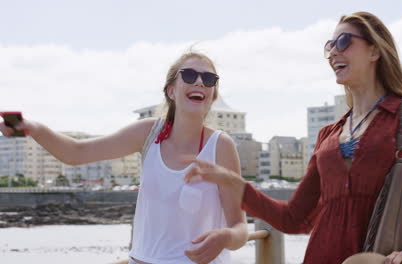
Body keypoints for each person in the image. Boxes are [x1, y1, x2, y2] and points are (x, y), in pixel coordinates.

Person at [184, 12, 402, 264]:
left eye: (343, 42)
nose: (333, 52)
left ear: (375, 50)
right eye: (329, 46)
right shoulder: (327, 135)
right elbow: (294, 218)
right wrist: (230, 181)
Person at [0, 51, 248, 264]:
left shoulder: (221, 146)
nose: (200, 82)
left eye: (209, 78)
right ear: (171, 90)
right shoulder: (148, 132)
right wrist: (33, 128)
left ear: (213, 94)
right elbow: (77, 153)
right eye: (190, 75)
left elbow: (239, 226)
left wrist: (225, 237)